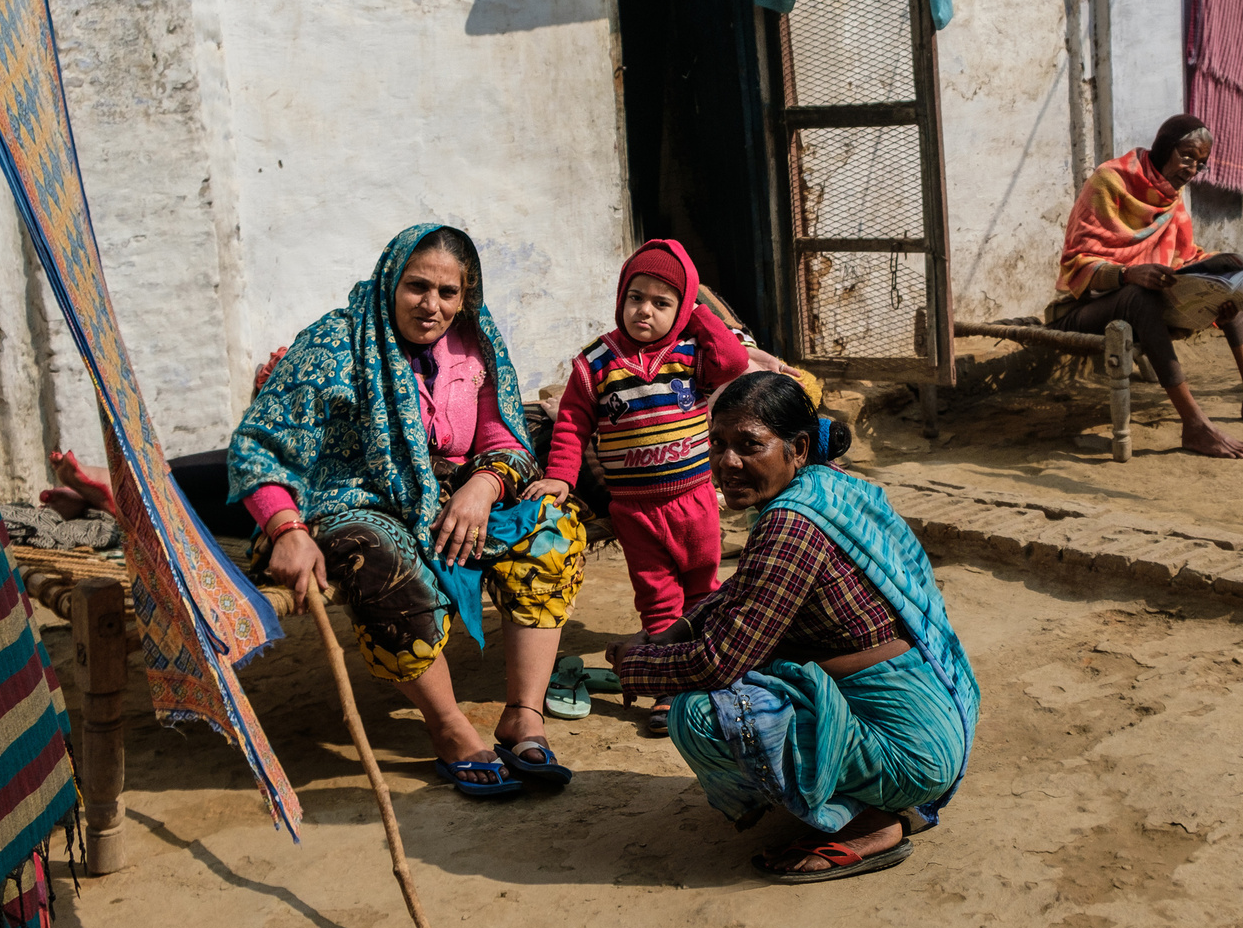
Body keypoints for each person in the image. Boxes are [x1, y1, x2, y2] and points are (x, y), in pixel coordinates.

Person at [229, 224, 586, 799]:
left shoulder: (475, 340)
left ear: (466, 296)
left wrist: (486, 485)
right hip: (355, 500)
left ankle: (524, 713)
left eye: (449, 293)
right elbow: (258, 447)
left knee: (551, 527)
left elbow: (505, 436)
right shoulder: (334, 343)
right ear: (390, 280)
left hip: (457, 497)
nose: (432, 305)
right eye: (417, 286)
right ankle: (448, 728)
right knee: (379, 559)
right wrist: (286, 529)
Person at [608, 373, 979, 882]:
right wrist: (678, 628)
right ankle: (856, 792)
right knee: (753, 672)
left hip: (908, 754)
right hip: (935, 721)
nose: (727, 463)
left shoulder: (790, 525)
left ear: (798, 447)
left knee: (697, 714)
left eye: (749, 446)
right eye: (716, 444)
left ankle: (870, 820)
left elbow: (717, 662)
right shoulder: (825, 486)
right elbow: (743, 591)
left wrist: (637, 665)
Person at [531, 239, 750, 737]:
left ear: (683, 310)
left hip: (694, 502)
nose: (644, 310)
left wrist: (698, 313)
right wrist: (562, 476)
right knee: (657, 599)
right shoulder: (596, 362)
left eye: (661, 302)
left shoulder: (693, 353)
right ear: (620, 299)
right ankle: (667, 685)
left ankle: (706, 673)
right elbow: (570, 423)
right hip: (635, 511)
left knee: (703, 591)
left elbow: (735, 365)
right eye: (635, 298)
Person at [1049, 113, 1243, 458]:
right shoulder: (1109, 181)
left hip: (1145, 305)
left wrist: (1217, 280)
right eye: (1187, 156)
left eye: (1200, 163)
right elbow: (1076, 264)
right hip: (1081, 310)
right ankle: (1194, 424)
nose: (1191, 168)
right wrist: (1127, 274)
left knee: (1226, 282)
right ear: (1164, 147)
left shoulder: (1171, 196)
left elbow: (1183, 256)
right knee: (1137, 295)